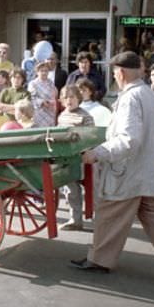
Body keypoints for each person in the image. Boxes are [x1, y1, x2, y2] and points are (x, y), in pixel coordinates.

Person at [74, 51, 154, 282]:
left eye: (114, 73)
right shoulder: (148, 94)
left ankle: (99, 259)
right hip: (147, 169)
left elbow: (129, 139)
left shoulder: (131, 98)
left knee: (109, 213)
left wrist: (98, 153)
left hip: (128, 171)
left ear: (120, 73)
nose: (114, 76)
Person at [57, 84, 95, 231]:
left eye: (72, 97)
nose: (69, 100)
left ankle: (101, 219)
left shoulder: (85, 116)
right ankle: (75, 219)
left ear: (78, 98)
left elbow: (92, 137)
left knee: (94, 190)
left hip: (83, 157)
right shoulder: (62, 116)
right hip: (67, 158)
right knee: (70, 190)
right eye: (65, 97)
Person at [28, 61, 57, 127]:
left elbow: (54, 95)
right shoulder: (33, 83)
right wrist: (42, 102)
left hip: (50, 111)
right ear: (37, 72)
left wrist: (52, 102)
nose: (44, 73)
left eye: (46, 71)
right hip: (38, 112)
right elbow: (32, 98)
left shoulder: (50, 82)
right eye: (41, 71)